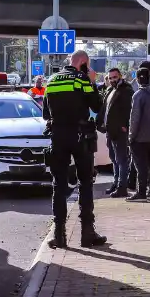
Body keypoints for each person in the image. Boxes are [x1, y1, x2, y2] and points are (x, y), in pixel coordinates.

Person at [41, 50, 107, 249]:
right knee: (85, 182)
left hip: (58, 137)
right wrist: (93, 82)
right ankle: (87, 233)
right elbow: (96, 106)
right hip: (80, 137)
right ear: (84, 63)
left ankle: (59, 236)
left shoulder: (51, 81)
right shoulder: (81, 79)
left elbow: (46, 114)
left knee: (58, 184)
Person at [100, 68, 134, 198]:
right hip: (110, 130)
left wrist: (125, 126)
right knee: (114, 159)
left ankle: (122, 187)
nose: (112, 80)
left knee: (121, 160)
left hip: (120, 131)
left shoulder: (126, 90)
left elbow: (129, 110)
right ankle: (116, 183)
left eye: (115, 77)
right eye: (110, 78)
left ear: (120, 76)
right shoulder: (110, 90)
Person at [127, 67, 150, 201]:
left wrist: (131, 136)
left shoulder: (138, 95)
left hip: (140, 138)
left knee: (141, 166)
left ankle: (141, 193)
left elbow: (135, 118)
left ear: (139, 78)